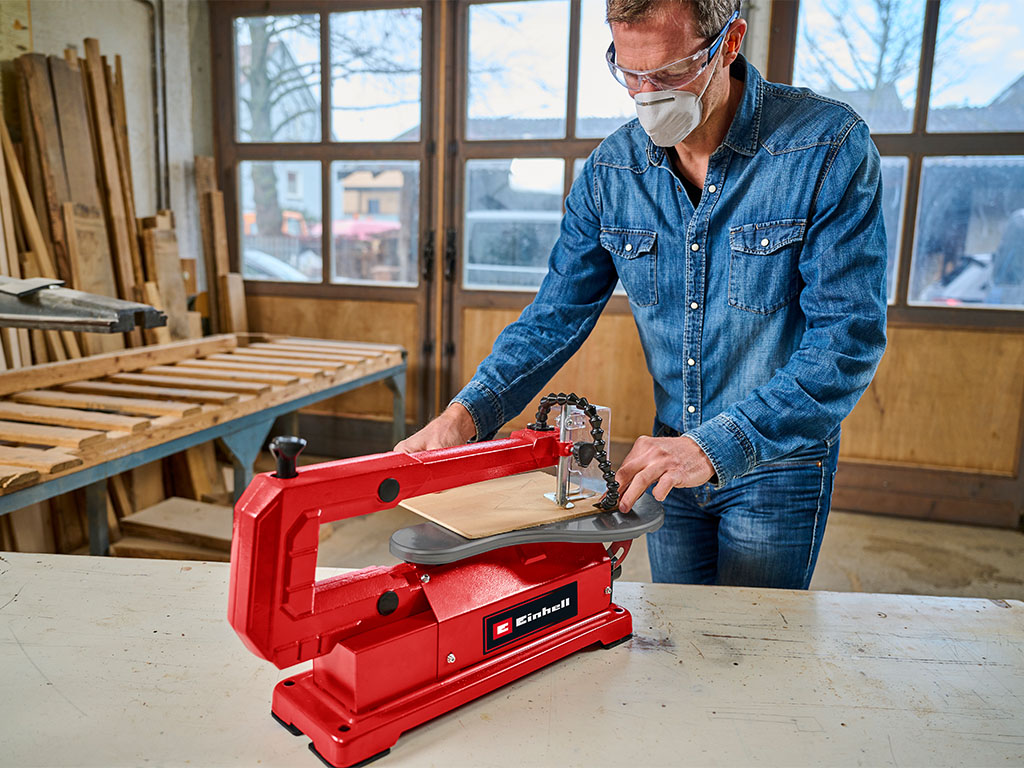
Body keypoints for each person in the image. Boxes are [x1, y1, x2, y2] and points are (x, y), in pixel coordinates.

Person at [396, 0, 887, 589]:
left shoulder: (825, 146)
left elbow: (846, 342)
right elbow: (553, 318)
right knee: (682, 640)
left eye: (671, 72)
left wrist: (716, 446)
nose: (648, 94)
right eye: (630, 74)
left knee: (754, 654)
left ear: (730, 42)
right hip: (666, 460)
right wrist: (466, 414)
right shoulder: (612, 173)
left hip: (776, 464)